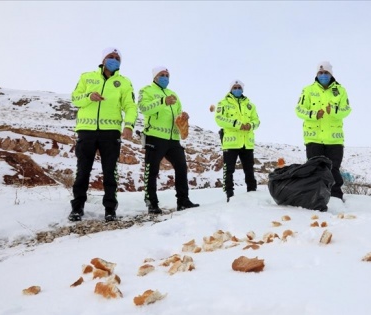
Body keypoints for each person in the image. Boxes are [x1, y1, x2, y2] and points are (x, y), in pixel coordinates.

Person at [69, 47, 138, 222]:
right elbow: (75, 98)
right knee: (83, 171)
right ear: (103, 59)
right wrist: (89, 96)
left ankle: (110, 209)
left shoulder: (124, 82)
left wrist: (128, 125)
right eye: (110, 56)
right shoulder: (87, 77)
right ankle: (77, 208)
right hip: (87, 131)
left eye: (117, 58)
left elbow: (130, 106)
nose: (114, 59)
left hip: (111, 132)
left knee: (110, 172)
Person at [138, 66, 199, 213]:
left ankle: (183, 201)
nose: (165, 77)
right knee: (151, 170)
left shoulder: (173, 94)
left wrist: (183, 116)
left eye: (167, 75)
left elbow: (177, 115)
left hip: (173, 138)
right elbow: (144, 108)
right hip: (154, 136)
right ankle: (152, 203)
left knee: (181, 167)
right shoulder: (146, 90)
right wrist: (162, 102)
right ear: (155, 77)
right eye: (162, 74)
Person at [295, 61, 352, 201]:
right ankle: (315, 198)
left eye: (326, 73)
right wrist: (314, 115)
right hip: (313, 138)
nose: (323, 75)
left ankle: (336, 198)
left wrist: (332, 111)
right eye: (320, 73)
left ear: (331, 74)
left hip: (334, 138)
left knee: (333, 169)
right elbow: (299, 110)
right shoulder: (308, 90)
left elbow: (347, 110)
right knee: (315, 170)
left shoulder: (340, 90)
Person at [214, 80, 260, 202]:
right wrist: (237, 124)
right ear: (231, 89)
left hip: (247, 142)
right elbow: (219, 119)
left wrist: (250, 125)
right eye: (235, 87)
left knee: (249, 169)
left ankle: (252, 191)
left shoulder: (250, 105)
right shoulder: (223, 103)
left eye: (239, 87)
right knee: (228, 169)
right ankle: (229, 195)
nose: (237, 89)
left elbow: (257, 121)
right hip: (231, 142)